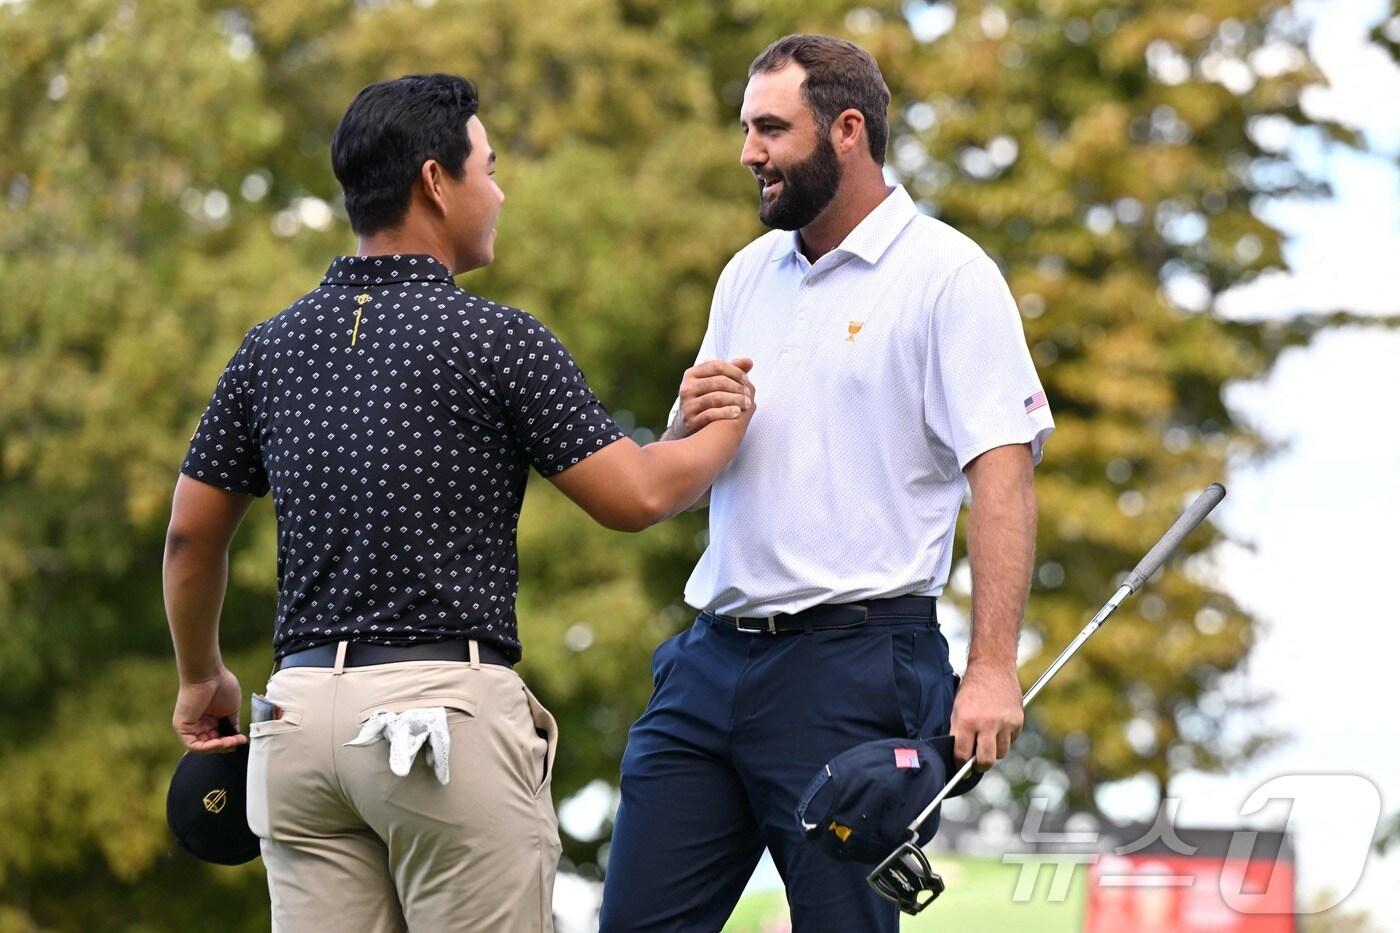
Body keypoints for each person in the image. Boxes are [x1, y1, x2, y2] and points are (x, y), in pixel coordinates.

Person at [162, 73, 754, 933]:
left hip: (296, 724)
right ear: (436, 182)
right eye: (490, 168)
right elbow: (639, 494)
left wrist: (200, 675)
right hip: (438, 724)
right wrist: (726, 425)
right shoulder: (495, 340)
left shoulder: (270, 348)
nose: (499, 191)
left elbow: (189, 537)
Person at [598, 35, 1055, 931]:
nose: (749, 152)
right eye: (746, 128)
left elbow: (1003, 479)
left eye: (771, 129)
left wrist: (992, 669)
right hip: (709, 661)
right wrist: (684, 428)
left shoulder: (950, 276)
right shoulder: (746, 274)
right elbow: (685, 479)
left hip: (857, 670)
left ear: (848, 130)